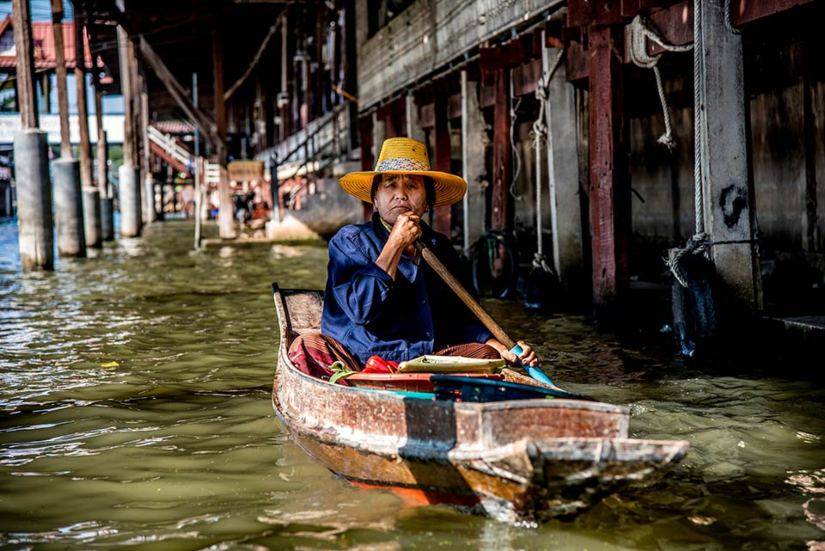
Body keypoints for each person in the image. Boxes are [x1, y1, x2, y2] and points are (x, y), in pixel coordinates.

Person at [288, 137, 537, 379]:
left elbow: (461, 319)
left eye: (412, 186)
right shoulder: (350, 241)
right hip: (360, 358)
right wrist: (395, 244)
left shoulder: (440, 247)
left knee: (486, 354)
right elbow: (360, 310)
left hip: (424, 360)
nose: (401, 195)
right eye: (390, 185)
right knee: (306, 346)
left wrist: (501, 348)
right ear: (375, 200)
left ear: (427, 201)